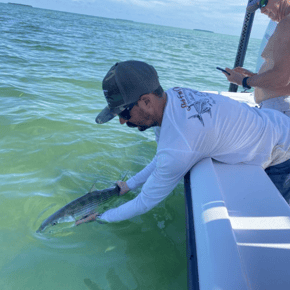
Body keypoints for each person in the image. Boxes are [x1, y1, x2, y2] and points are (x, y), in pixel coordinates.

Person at [76, 60, 290, 226]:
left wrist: (102, 217)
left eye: (123, 112)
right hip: (275, 122)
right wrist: (129, 185)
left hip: (282, 152)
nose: (122, 121)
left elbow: (145, 202)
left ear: (146, 101)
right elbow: (162, 158)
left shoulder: (180, 144)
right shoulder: (174, 97)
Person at [222, 0, 290, 117]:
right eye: (258, 7)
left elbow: (282, 78)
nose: (262, 11)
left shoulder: (287, 24)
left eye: (263, 2)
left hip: (279, 110)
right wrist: (256, 77)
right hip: (279, 108)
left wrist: (243, 81)